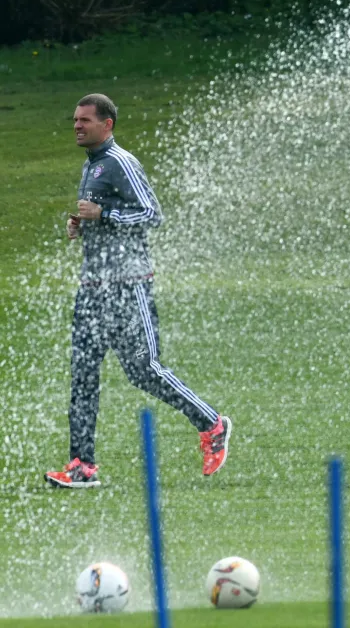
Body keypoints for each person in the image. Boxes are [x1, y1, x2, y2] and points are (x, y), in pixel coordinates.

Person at [46, 94, 230, 489]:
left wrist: (105, 214)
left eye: (85, 121)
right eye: (75, 120)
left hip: (129, 287)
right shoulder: (92, 165)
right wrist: (84, 226)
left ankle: (212, 424)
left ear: (107, 124)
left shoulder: (120, 163)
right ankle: (82, 466)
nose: (77, 126)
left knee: (144, 371)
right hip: (93, 288)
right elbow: (105, 218)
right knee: (82, 376)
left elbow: (152, 214)